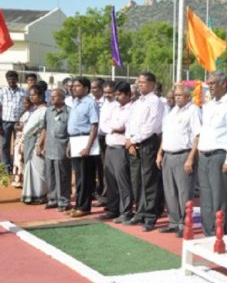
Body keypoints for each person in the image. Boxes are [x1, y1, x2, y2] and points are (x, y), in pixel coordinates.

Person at [197, 71, 227, 236]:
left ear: (224, 84)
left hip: (220, 156)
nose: (210, 86)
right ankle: (208, 233)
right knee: (206, 200)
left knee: (220, 199)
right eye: (209, 83)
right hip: (205, 155)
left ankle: (220, 235)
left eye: (213, 83)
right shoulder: (209, 105)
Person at [157, 85, 201, 237]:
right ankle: (174, 222)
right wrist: (159, 153)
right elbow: (166, 134)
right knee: (170, 191)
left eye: (180, 95)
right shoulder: (171, 112)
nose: (177, 98)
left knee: (184, 192)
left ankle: (185, 224)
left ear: (188, 97)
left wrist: (190, 158)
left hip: (184, 155)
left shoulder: (193, 110)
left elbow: (197, 136)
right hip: (168, 155)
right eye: (175, 95)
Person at [124, 72, 164, 232]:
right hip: (133, 143)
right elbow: (129, 122)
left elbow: (152, 125)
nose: (140, 85)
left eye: (143, 82)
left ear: (152, 84)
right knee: (136, 180)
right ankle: (139, 212)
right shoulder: (137, 102)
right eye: (138, 82)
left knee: (149, 180)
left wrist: (134, 140)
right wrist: (128, 140)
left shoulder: (156, 102)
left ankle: (150, 216)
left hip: (148, 143)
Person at [99, 82, 133, 223]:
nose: (116, 97)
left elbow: (121, 126)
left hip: (120, 148)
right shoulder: (115, 108)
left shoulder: (132, 109)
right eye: (116, 94)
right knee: (110, 180)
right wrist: (114, 128)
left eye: (119, 94)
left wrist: (115, 128)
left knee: (122, 181)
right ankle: (113, 209)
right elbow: (104, 125)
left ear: (128, 95)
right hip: (110, 146)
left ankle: (126, 211)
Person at [66, 77, 99, 218]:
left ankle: (85, 207)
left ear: (86, 88)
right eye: (73, 86)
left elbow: (94, 126)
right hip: (74, 140)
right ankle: (78, 205)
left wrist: (88, 147)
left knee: (85, 176)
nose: (74, 88)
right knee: (78, 176)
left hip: (85, 140)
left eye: (77, 86)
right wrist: (69, 144)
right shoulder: (75, 102)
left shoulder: (90, 103)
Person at [39, 89, 72, 211]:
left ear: (62, 97)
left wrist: (69, 146)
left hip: (62, 148)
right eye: (51, 97)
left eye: (54, 96)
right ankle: (53, 199)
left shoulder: (69, 112)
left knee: (62, 176)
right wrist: (40, 144)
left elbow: (71, 132)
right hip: (49, 147)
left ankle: (64, 201)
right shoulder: (48, 111)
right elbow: (44, 129)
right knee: (51, 175)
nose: (51, 99)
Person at [21, 85, 48, 204]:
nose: (31, 98)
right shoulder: (35, 110)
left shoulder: (45, 110)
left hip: (36, 143)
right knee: (29, 170)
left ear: (41, 95)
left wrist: (40, 145)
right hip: (29, 142)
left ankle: (40, 195)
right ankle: (30, 195)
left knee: (39, 171)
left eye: (34, 95)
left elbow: (44, 128)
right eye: (30, 95)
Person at [0, 70, 27, 173]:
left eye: (13, 78)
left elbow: (26, 106)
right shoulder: (2, 91)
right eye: (9, 79)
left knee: (19, 145)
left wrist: (22, 119)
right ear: (7, 80)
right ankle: (6, 167)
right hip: (5, 122)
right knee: (4, 145)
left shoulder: (23, 92)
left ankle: (17, 167)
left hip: (18, 123)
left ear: (17, 80)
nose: (11, 80)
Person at [11, 97, 31, 188]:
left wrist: (19, 127)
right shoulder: (23, 112)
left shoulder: (31, 113)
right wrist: (17, 126)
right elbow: (17, 124)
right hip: (19, 138)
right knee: (17, 158)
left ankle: (22, 180)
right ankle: (17, 179)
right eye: (23, 103)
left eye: (26, 103)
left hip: (24, 138)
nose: (24, 105)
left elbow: (26, 126)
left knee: (21, 159)